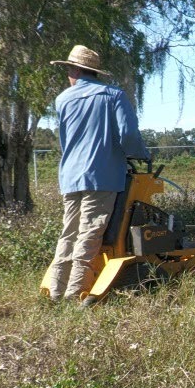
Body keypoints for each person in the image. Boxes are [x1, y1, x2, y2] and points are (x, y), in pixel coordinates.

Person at [41, 44, 150, 301]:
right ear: (92, 71)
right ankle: (75, 291)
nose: (68, 73)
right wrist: (142, 154)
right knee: (90, 231)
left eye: (68, 68)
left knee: (70, 231)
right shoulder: (113, 96)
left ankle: (56, 289)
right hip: (101, 175)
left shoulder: (62, 99)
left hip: (70, 176)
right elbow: (129, 135)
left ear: (75, 70)